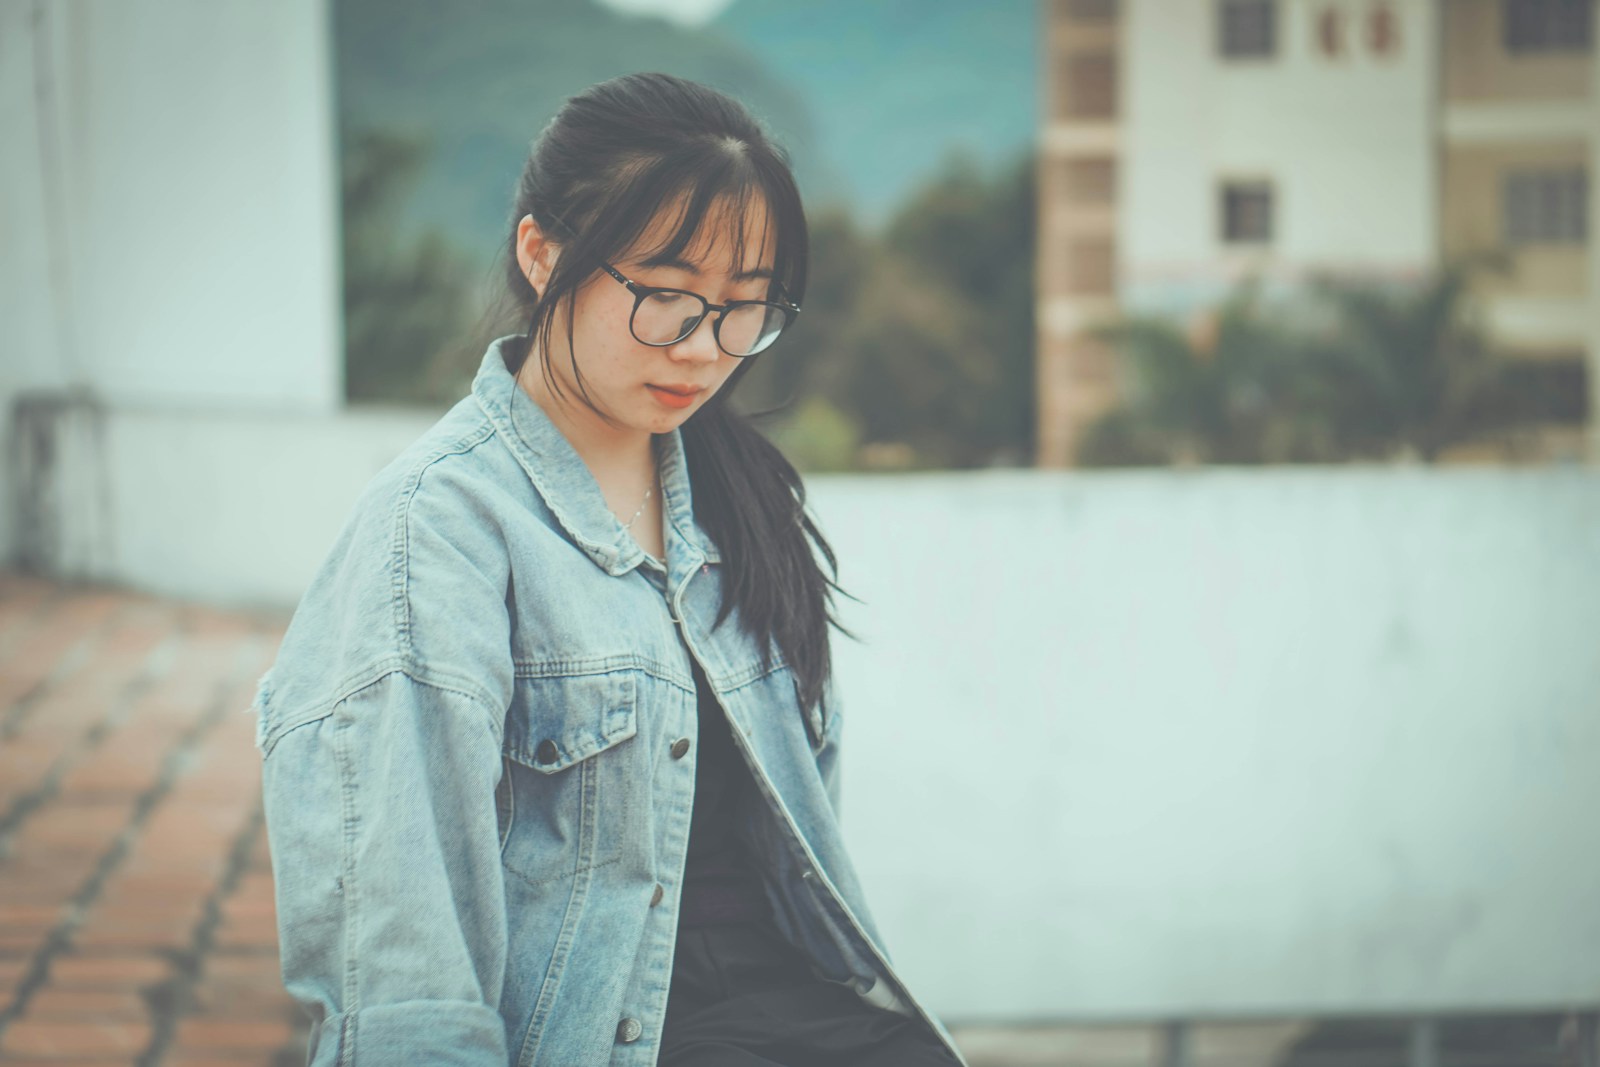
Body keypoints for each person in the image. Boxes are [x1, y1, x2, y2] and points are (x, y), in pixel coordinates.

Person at [251, 72, 967, 1066]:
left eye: (742, 309)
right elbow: (400, 967)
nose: (705, 347)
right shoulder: (437, 533)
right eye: (667, 296)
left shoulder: (745, 503)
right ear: (542, 255)